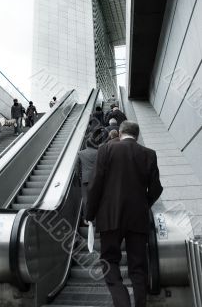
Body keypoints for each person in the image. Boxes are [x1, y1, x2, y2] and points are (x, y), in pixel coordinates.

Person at [86, 121, 163, 307]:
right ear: (136, 135)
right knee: (138, 266)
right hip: (138, 218)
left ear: (120, 133)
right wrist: (144, 204)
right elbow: (156, 188)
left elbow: (96, 184)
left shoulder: (105, 150)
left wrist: (90, 214)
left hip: (110, 216)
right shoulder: (149, 154)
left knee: (110, 261)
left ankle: (122, 302)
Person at [76, 137, 99, 217]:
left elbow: (78, 167)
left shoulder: (80, 153)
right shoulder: (98, 152)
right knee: (97, 196)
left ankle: (87, 217)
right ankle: (97, 215)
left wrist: (79, 177)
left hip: (85, 178)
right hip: (97, 178)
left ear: (86, 144)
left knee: (86, 198)